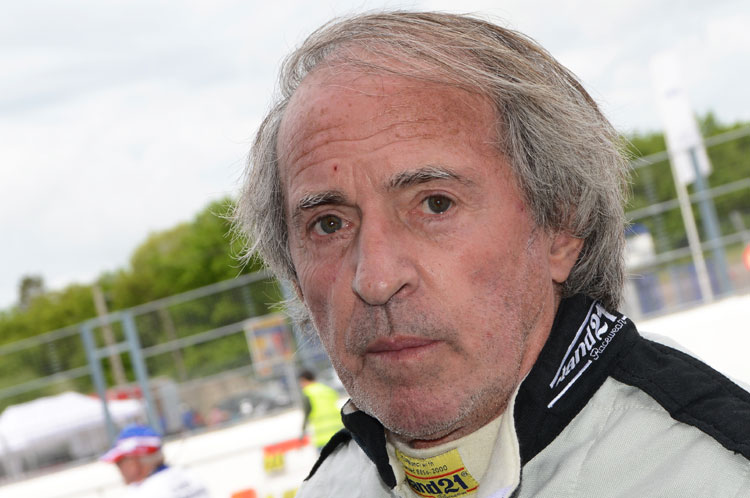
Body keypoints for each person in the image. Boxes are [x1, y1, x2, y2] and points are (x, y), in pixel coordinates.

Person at [234, 11, 750, 497]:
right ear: (293, 275)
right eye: (329, 224)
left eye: (435, 204)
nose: (376, 278)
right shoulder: (328, 487)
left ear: (561, 229)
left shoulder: (718, 473)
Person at [101, 424, 210, 497]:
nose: (118, 469)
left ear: (134, 463)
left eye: (119, 462)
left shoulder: (142, 492)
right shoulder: (189, 476)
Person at [299, 369, 344, 451]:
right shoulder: (327, 390)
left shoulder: (308, 393)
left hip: (323, 438)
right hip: (339, 433)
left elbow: (307, 413)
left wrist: (302, 431)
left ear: (304, 380)